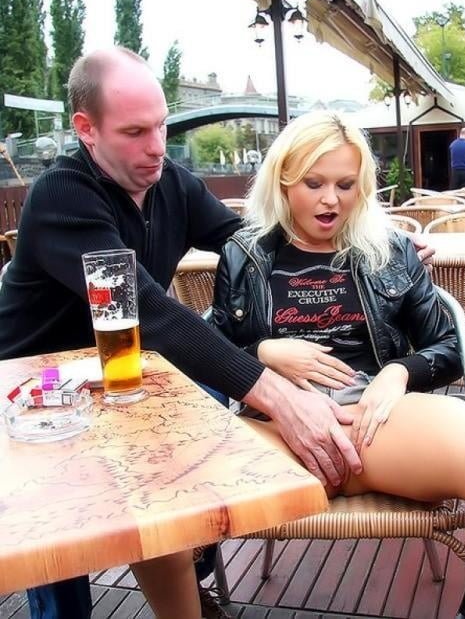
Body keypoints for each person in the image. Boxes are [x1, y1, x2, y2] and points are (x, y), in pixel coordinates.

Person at [0, 48, 432, 619]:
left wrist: (372, 242)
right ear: (86, 129)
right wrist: (277, 395)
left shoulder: (172, 183)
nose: (158, 146)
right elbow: (149, 312)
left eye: (160, 126)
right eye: (135, 132)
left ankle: (187, 564)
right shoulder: (63, 194)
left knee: (196, 424)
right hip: (41, 389)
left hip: (128, 375)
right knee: (62, 537)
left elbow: (254, 243)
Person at [209, 110, 465, 618]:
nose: (331, 200)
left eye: (345, 185)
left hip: (375, 422)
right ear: (283, 181)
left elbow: (449, 347)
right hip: (276, 430)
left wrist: (398, 373)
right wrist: (261, 353)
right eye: (314, 183)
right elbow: (208, 351)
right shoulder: (243, 254)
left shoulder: (391, 249)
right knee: (159, 481)